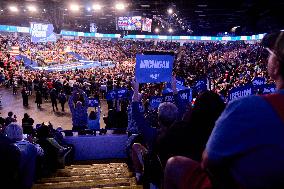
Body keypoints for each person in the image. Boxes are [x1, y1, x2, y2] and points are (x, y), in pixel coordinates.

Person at [164, 31, 284, 189]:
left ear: (276, 65)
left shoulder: (247, 107)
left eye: (269, 54)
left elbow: (208, 161)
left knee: (175, 165)